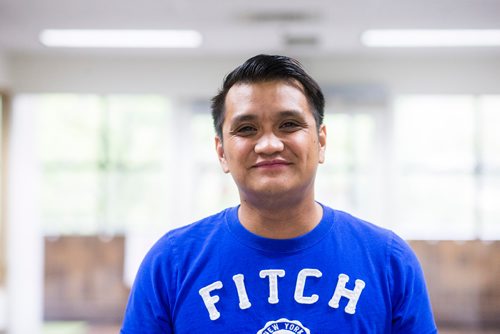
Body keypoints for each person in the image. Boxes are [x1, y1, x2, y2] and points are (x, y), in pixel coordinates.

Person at [120, 54, 437, 333]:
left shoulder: (388, 260)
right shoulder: (171, 262)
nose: (269, 144)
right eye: (246, 129)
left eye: (288, 124)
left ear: (321, 142)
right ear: (221, 152)